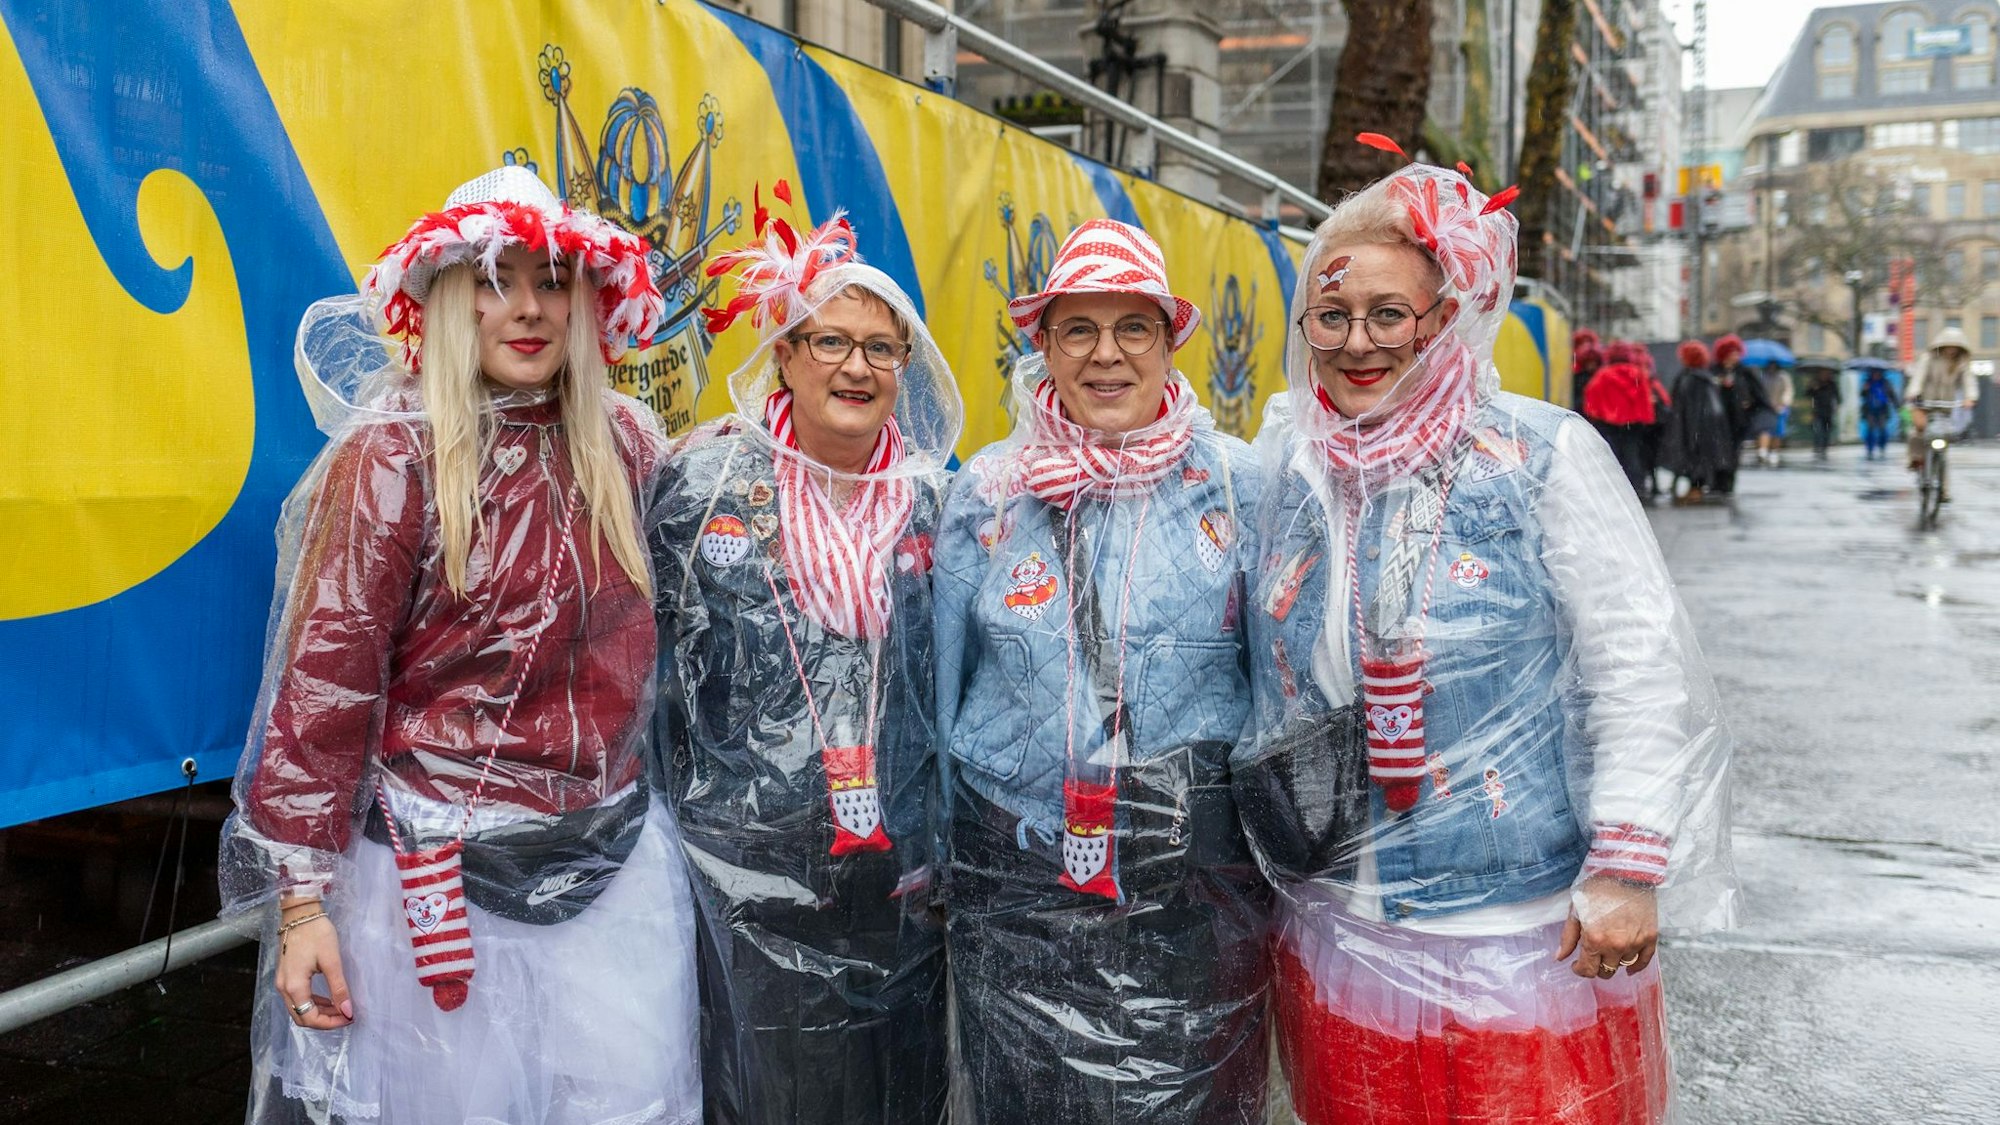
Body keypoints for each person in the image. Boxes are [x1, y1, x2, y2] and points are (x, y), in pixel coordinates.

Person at [1232, 148, 1734, 1125]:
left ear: (1446, 316)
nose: (1356, 342)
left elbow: (1634, 665)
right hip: (1343, 920)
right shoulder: (1289, 467)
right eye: (1329, 316)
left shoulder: (1541, 455)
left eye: (1388, 314)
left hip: (1516, 925)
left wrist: (1627, 867)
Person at [220, 167, 701, 1124]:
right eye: (495, 280)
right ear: (447, 298)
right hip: (427, 884)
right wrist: (306, 905)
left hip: (608, 870)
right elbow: (326, 682)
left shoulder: (629, 446)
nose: (527, 309)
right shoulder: (395, 454)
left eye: (552, 280)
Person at [933, 219, 1270, 1124]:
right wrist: (933, 855)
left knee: (1192, 1103)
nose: (1106, 354)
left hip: (1193, 883)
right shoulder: (989, 492)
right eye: (1078, 328)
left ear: (1169, 342)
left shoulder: (1240, 485)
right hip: (1021, 870)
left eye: (1134, 328)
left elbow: (1278, 689)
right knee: (1032, 1100)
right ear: (1042, 345)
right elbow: (941, 690)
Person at [651, 202, 960, 1124]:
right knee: (768, 1098)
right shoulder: (700, 488)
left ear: (904, 368)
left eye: (880, 347)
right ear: (783, 351)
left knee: (902, 1093)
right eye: (830, 341)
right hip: (747, 888)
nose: (856, 366)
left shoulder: (938, 505)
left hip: (902, 885)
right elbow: (652, 690)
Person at [1581, 340, 1658, 498]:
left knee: (1613, 457)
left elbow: (1591, 400)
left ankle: (1614, 491)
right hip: (1634, 423)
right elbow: (1645, 399)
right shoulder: (1637, 373)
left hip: (1608, 423)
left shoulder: (1603, 375)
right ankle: (1637, 489)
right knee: (1633, 455)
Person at [1662, 340, 1734, 505]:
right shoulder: (1705, 378)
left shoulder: (1690, 378)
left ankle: (1695, 489)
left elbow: (1686, 407)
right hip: (1706, 428)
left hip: (1693, 428)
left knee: (1694, 460)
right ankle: (1696, 488)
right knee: (1699, 460)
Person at [1904, 327, 1980, 476]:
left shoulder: (1961, 363)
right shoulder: (1928, 358)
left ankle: (1943, 489)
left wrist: (1970, 397)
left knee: (1943, 443)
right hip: (1923, 403)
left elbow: (1969, 381)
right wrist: (1913, 393)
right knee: (1919, 429)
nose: (1951, 350)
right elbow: (1918, 377)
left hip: (1945, 406)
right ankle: (1915, 458)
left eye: (1955, 347)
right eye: (1949, 345)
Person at [1711, 335, 1764, 495]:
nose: (1735, 356)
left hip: (1737, 420)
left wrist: (1748, 404)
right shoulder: (1714, 371)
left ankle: (1728, 482)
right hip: (1718, 420)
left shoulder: (1744, 372)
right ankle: (1717, 481)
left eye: (1736, 353)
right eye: (1731, 353)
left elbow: (1757, 394)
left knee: (1733, 452)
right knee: (1718, 451)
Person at [1756, 362, 1794, 466]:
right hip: (1766, 407)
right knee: (1765, 428)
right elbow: (1760, 391)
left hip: (1780, 407)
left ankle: (1774, 451)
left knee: (1778, 430)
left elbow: (1788, 391)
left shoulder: (1783, 376)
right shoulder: (1762, 376)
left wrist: (1783, 403)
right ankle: (1763, 450)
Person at [1858, 367, 1900, 461]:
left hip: (1882, 410)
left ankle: (1882, 446)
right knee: (1870, 430)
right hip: (1870, 410)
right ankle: (1870, 449)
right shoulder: (1867, 382)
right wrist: (1865, 389)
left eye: (1878, 373)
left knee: (1882, 430)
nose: (1876, 375)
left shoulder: (1885, 383)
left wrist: (1897, 406)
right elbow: (1862, 395)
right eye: (1874, 373)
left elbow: (1892, 395)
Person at [1807, 369, 1841, 461]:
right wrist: (1812, 387)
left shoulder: (1832, 384)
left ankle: (1824, 447)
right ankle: (1817, 446)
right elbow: (1807, 394)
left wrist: (1837, 406)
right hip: (1817, 410)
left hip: (1828, 411)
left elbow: (1837, 396)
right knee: (1818, 429)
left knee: (1827, 430)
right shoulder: (1815, 383)